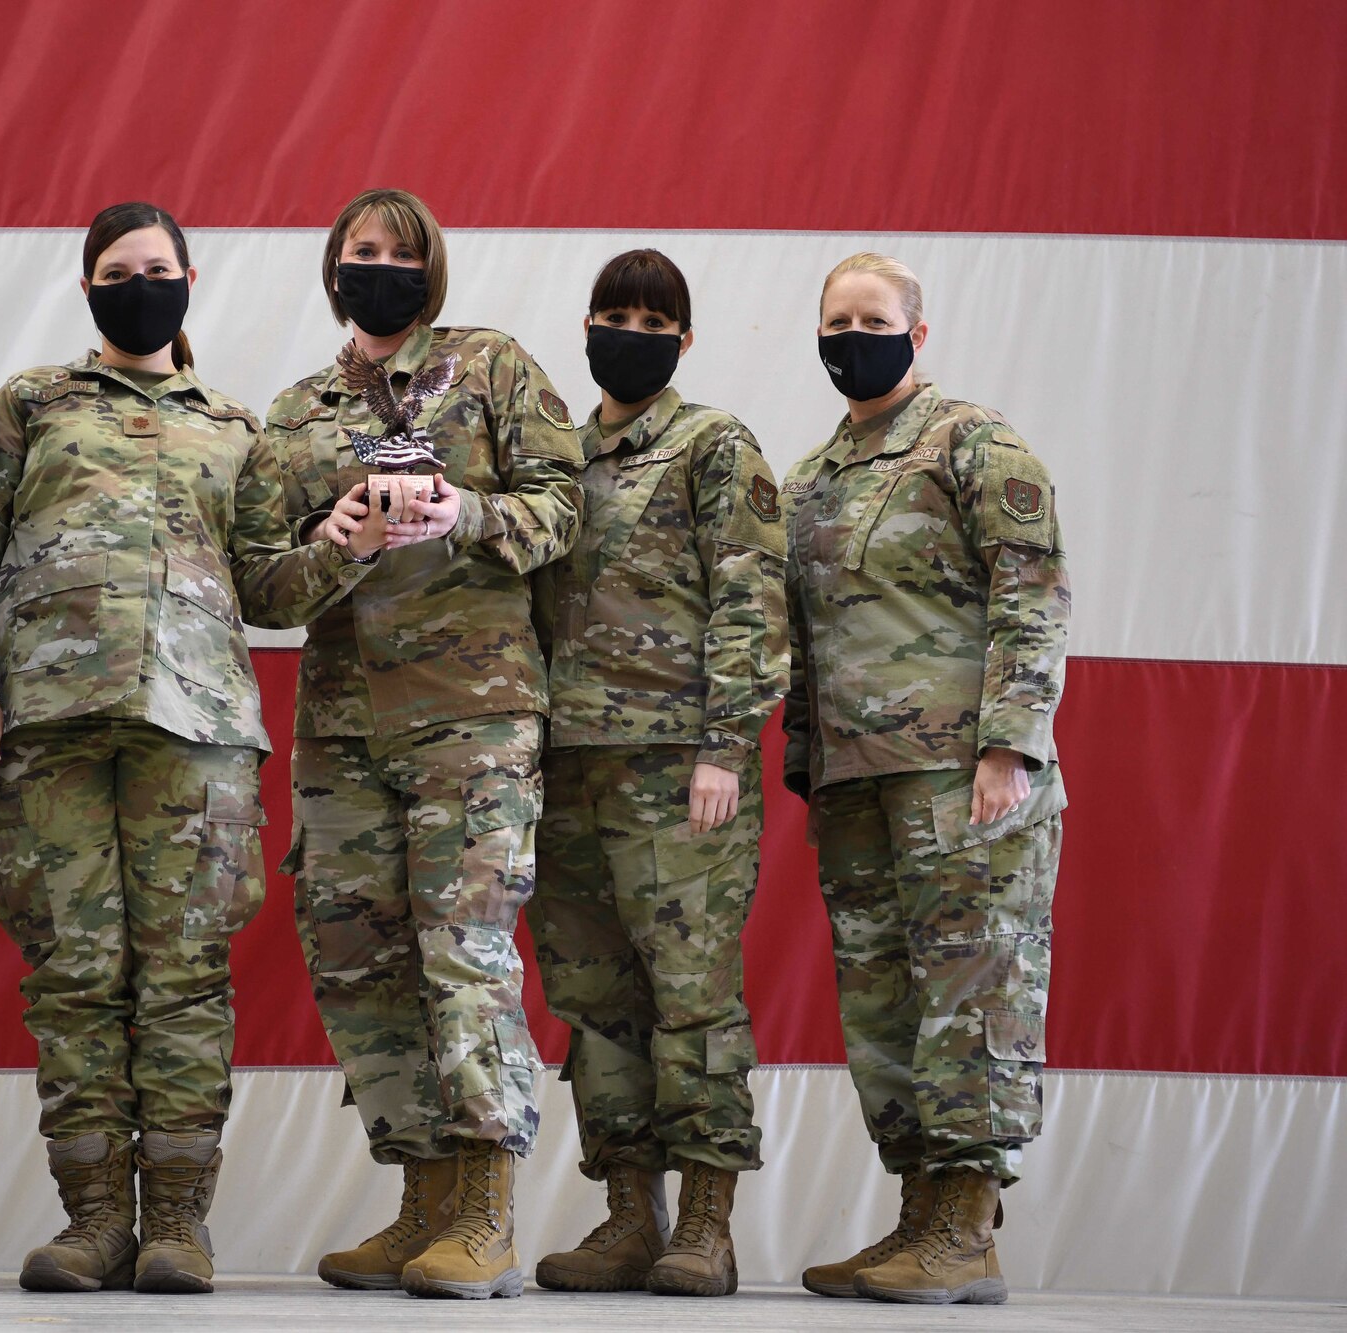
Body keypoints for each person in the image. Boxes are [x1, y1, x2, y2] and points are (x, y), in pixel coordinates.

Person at [0, 202, 377, 1296]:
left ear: (191, 277)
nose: (139, 283)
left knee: (183, 977)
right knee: (77, 976)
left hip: (199, 732)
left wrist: (341, 544)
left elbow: (267, 588)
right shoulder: (25, 406)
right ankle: (93, 1221)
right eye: (117, 271)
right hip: (47, 728)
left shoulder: (234, 426)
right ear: (88, 289)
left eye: (157, 268)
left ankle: (177, 1219)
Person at [266, 187, 584, 1300]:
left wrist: (471, 517)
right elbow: (261, 577)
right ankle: (421, 1200)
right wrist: (335, 539)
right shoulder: (298, 411)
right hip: (345, 729)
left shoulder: (490, 366)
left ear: (431, 266)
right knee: (361, 963)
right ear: (332, 266)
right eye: (360, 250)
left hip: (473, 714)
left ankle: (486, 1210)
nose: (380, 266)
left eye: (400, 252)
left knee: (464, 953)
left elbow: (564, 504)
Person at [784, 253, 1071, 1305]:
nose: (850, 335)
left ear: (917, 331)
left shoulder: (969, 442)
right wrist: (805, 766)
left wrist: (1009, 743)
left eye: (871, 317)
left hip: (961, 774)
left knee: (970, 993)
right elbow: (804, 641)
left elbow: (1031, 592)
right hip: (856, 785)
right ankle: (917, 1218)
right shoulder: (809, 480)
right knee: (886, 1005)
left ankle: (964, 1230)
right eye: (834, 319)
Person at [527, 250, 788, 1296]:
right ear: (584, 324)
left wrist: (725, 746)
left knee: (688, 997)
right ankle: (629, 1214)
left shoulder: (711, 444)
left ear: (681, 339)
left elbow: (750, 598)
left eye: (650, 317)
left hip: (677, 769)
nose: (627, 331)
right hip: (564, 769)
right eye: (611, 313)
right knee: (593, 1000)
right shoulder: (551, 457)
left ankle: (707, 1225)